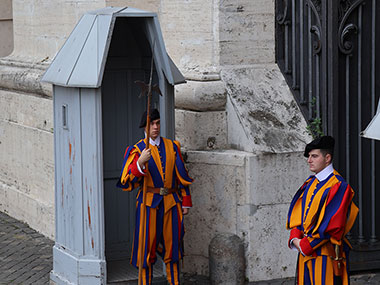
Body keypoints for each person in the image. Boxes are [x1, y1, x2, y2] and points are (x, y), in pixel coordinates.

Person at [117, 109, 193, 285]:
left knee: (173, 247)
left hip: (172, 203)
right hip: (148, 204)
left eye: (157, 123)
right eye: (152, 123)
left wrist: (186, 201)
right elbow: (128, 181)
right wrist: (140, 162)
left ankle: (174, 282)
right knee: (146, 248)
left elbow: (181, 175)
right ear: (145, 126)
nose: (156, 127)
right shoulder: (137, 150)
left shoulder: (173, 146)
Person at [286, 136, 359, 285]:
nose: (309, 160)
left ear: (327, 158)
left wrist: (304, 246)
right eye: (309, 156)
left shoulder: (338, 186)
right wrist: (294, 239)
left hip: (326, 254)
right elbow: (299, 214)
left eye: (314, 156)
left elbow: (330, 225)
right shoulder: (310, 183)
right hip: (304, 253)